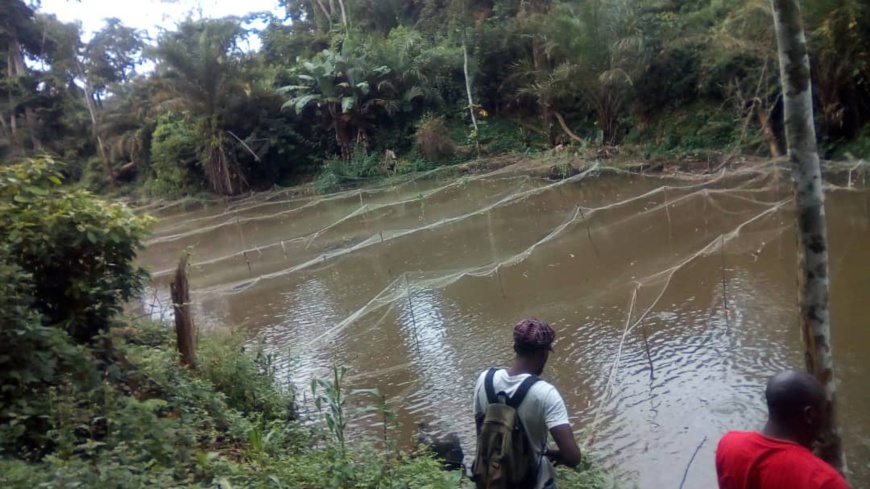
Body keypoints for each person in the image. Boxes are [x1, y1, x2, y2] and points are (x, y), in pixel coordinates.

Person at [472, 318, 581, 489]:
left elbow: (481, 430)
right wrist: (554, 454)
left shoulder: (484, 379)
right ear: (544, 353)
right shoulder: (546, 394)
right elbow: (573, 457)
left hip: (491, 479)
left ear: (515, 348)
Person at [716, 370, 850, 489]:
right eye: (824, 411)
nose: (825, 418)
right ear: (809, 415)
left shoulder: (729, 445)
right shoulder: (825, 481)